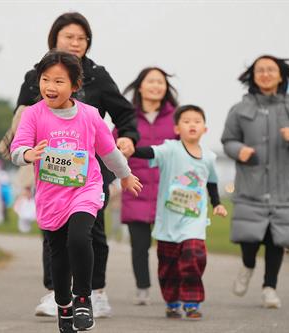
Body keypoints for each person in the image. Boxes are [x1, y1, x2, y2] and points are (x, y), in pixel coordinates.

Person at [15, 12, 139, 318]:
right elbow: (20, 121)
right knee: (54, 234)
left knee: (89, 232)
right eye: (68, 36)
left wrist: (129, 141)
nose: (75, 42)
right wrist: (25, 156)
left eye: (81, 38)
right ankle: (55, 293)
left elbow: (123, 116)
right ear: (54, 39)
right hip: (48, 170)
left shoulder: (97, 76)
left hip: (90, 173)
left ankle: (94, 292)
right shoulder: (35, 78)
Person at [221, 55, 289, 308]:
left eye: (270, 70)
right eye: (260, 70)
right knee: (249, 237)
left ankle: (269, 288)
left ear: (281, 75)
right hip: (250, 184)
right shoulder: (240, 108)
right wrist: (237, 149)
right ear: (253, 76)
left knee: (277, 240)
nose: (265, 74)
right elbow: (228, 140)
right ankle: (247, 266)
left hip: (283, 186)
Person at [132, 104, 228, 319]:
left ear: (205, 129)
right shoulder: (170, 149)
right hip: (168, 221)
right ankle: (172, 301)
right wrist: (131, 149)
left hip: (194, 220)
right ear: (177, 129)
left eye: (197, 121)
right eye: (186, 121)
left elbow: (211, 183)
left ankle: (192, 302)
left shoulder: (209, 158)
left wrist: (217, 204)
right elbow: (149, 151)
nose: (192, 124)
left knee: (194, 254)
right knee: (168, 265)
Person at [120, 67, 178, 305]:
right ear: (140, 86)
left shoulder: (176, 116)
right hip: (137, 189)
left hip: (170, 192)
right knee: (140, 246)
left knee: (170, 247)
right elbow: (115, 146)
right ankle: (142, 287)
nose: (156, 86)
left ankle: (171, 289)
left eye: (160, 82)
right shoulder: (127, 116)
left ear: (166, 88)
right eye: (151, 81)